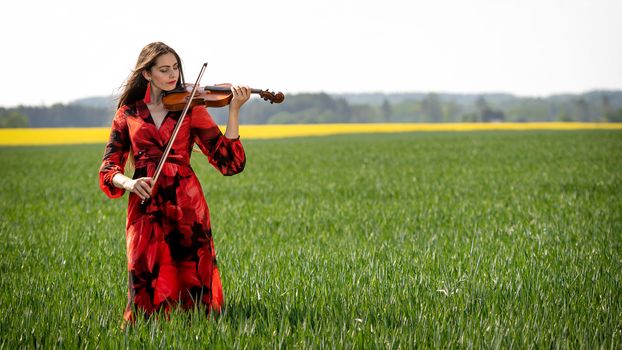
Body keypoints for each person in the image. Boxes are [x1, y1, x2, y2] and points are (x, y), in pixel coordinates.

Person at [99, 42, 250, 323]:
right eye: (164, 69)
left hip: (186, 202)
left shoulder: (190, 107)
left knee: (192, 273)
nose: (173, 75)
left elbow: (228, 161)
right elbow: (109, 168)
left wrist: (233, 112)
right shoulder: (128, 114)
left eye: (176, 68)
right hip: (144, 203)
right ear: (147, 74)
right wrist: (130, 184)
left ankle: (200, 332)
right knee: (143, 272)